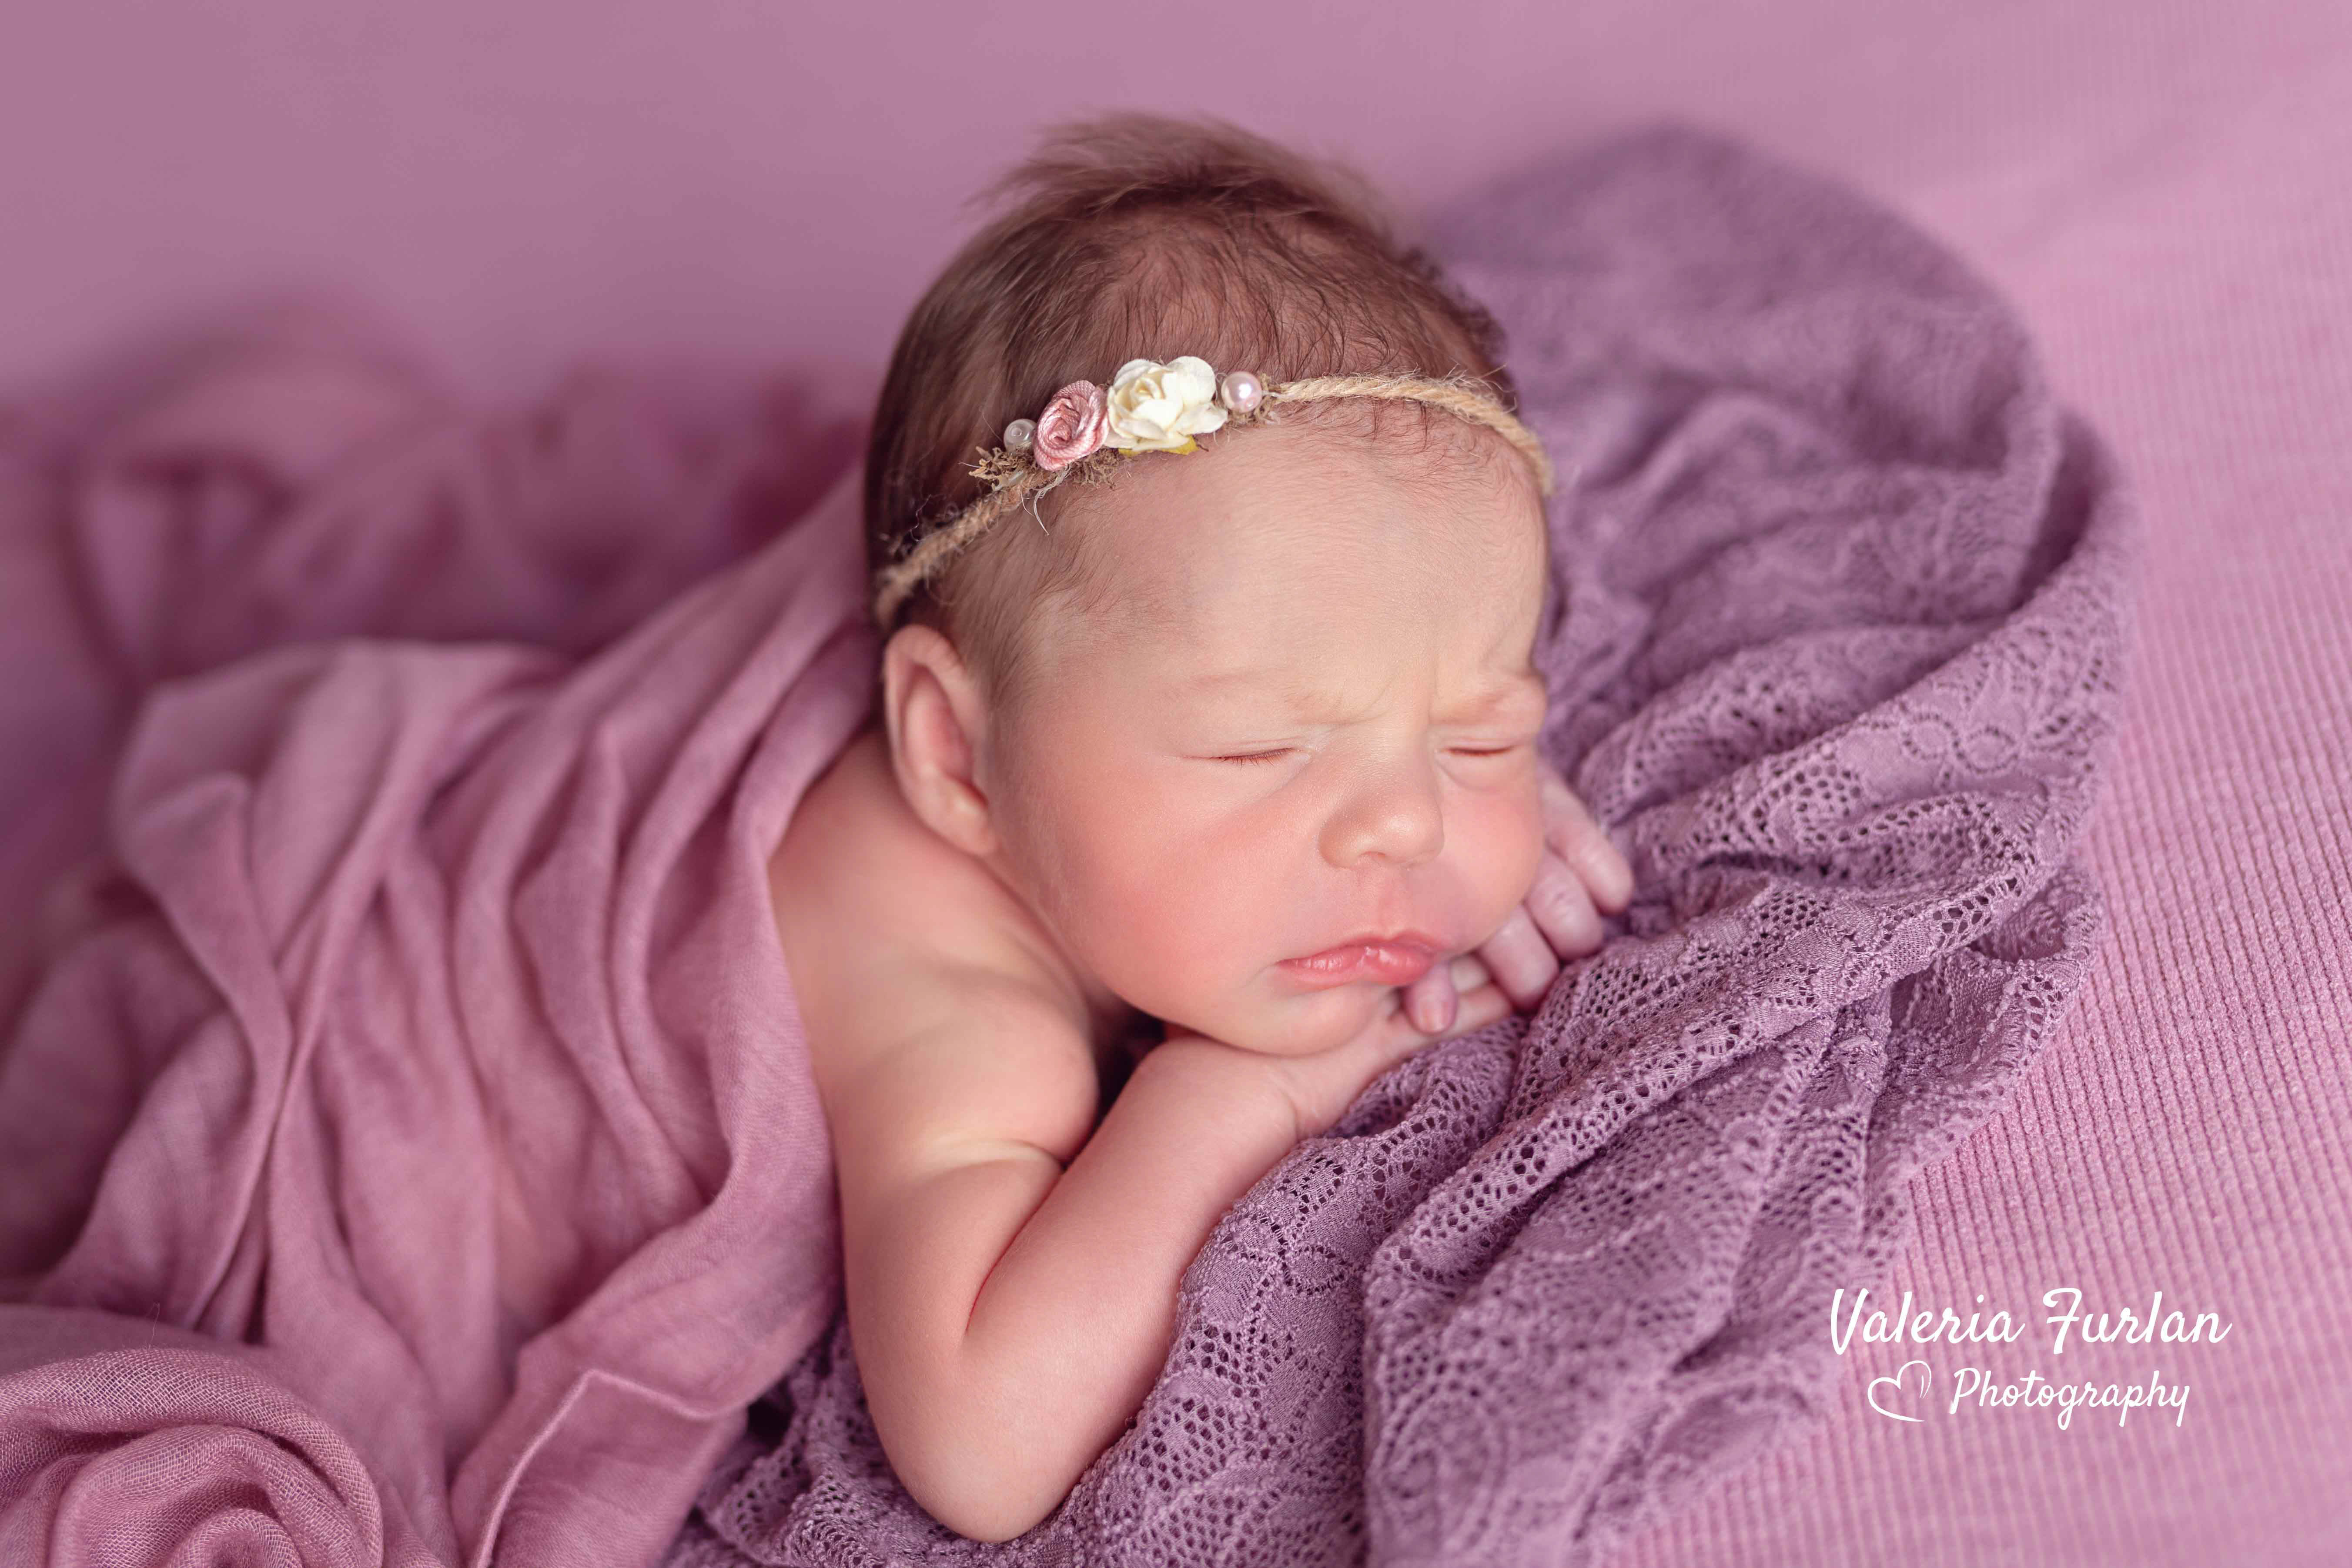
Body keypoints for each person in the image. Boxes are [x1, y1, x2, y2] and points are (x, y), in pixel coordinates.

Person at [766, 110, 1634, 1544]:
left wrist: (1424, 752)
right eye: (1262, 747)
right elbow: (980, 1445)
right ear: (959, 762)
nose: (1404, 824)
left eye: (1484, 727)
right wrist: (1236, 1097)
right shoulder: (936, 979)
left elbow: (1370, 706)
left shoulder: (1191, 769)